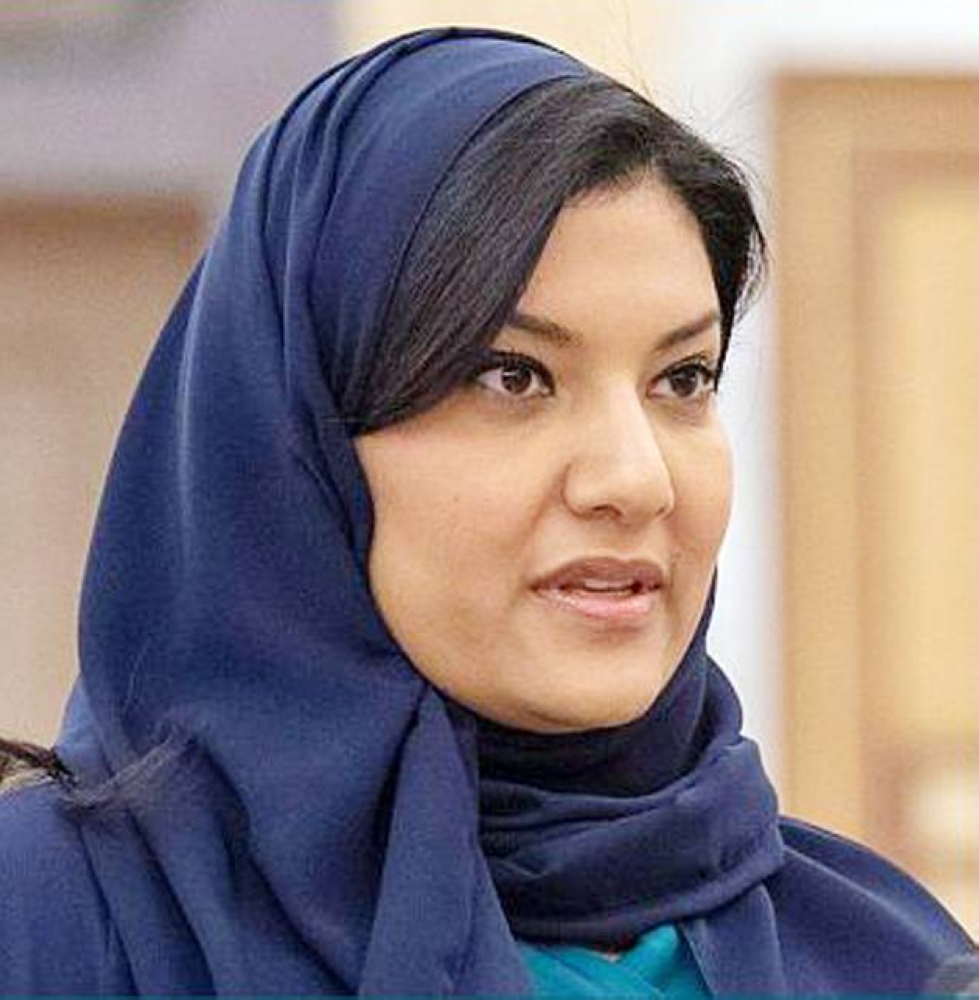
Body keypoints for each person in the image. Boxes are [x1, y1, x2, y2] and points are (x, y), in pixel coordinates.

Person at [0, 26, 972, 997]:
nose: (635, 480)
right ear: (305, 441)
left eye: (683, 377)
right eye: (513, 376)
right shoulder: (59, 926)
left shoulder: (881, 961)